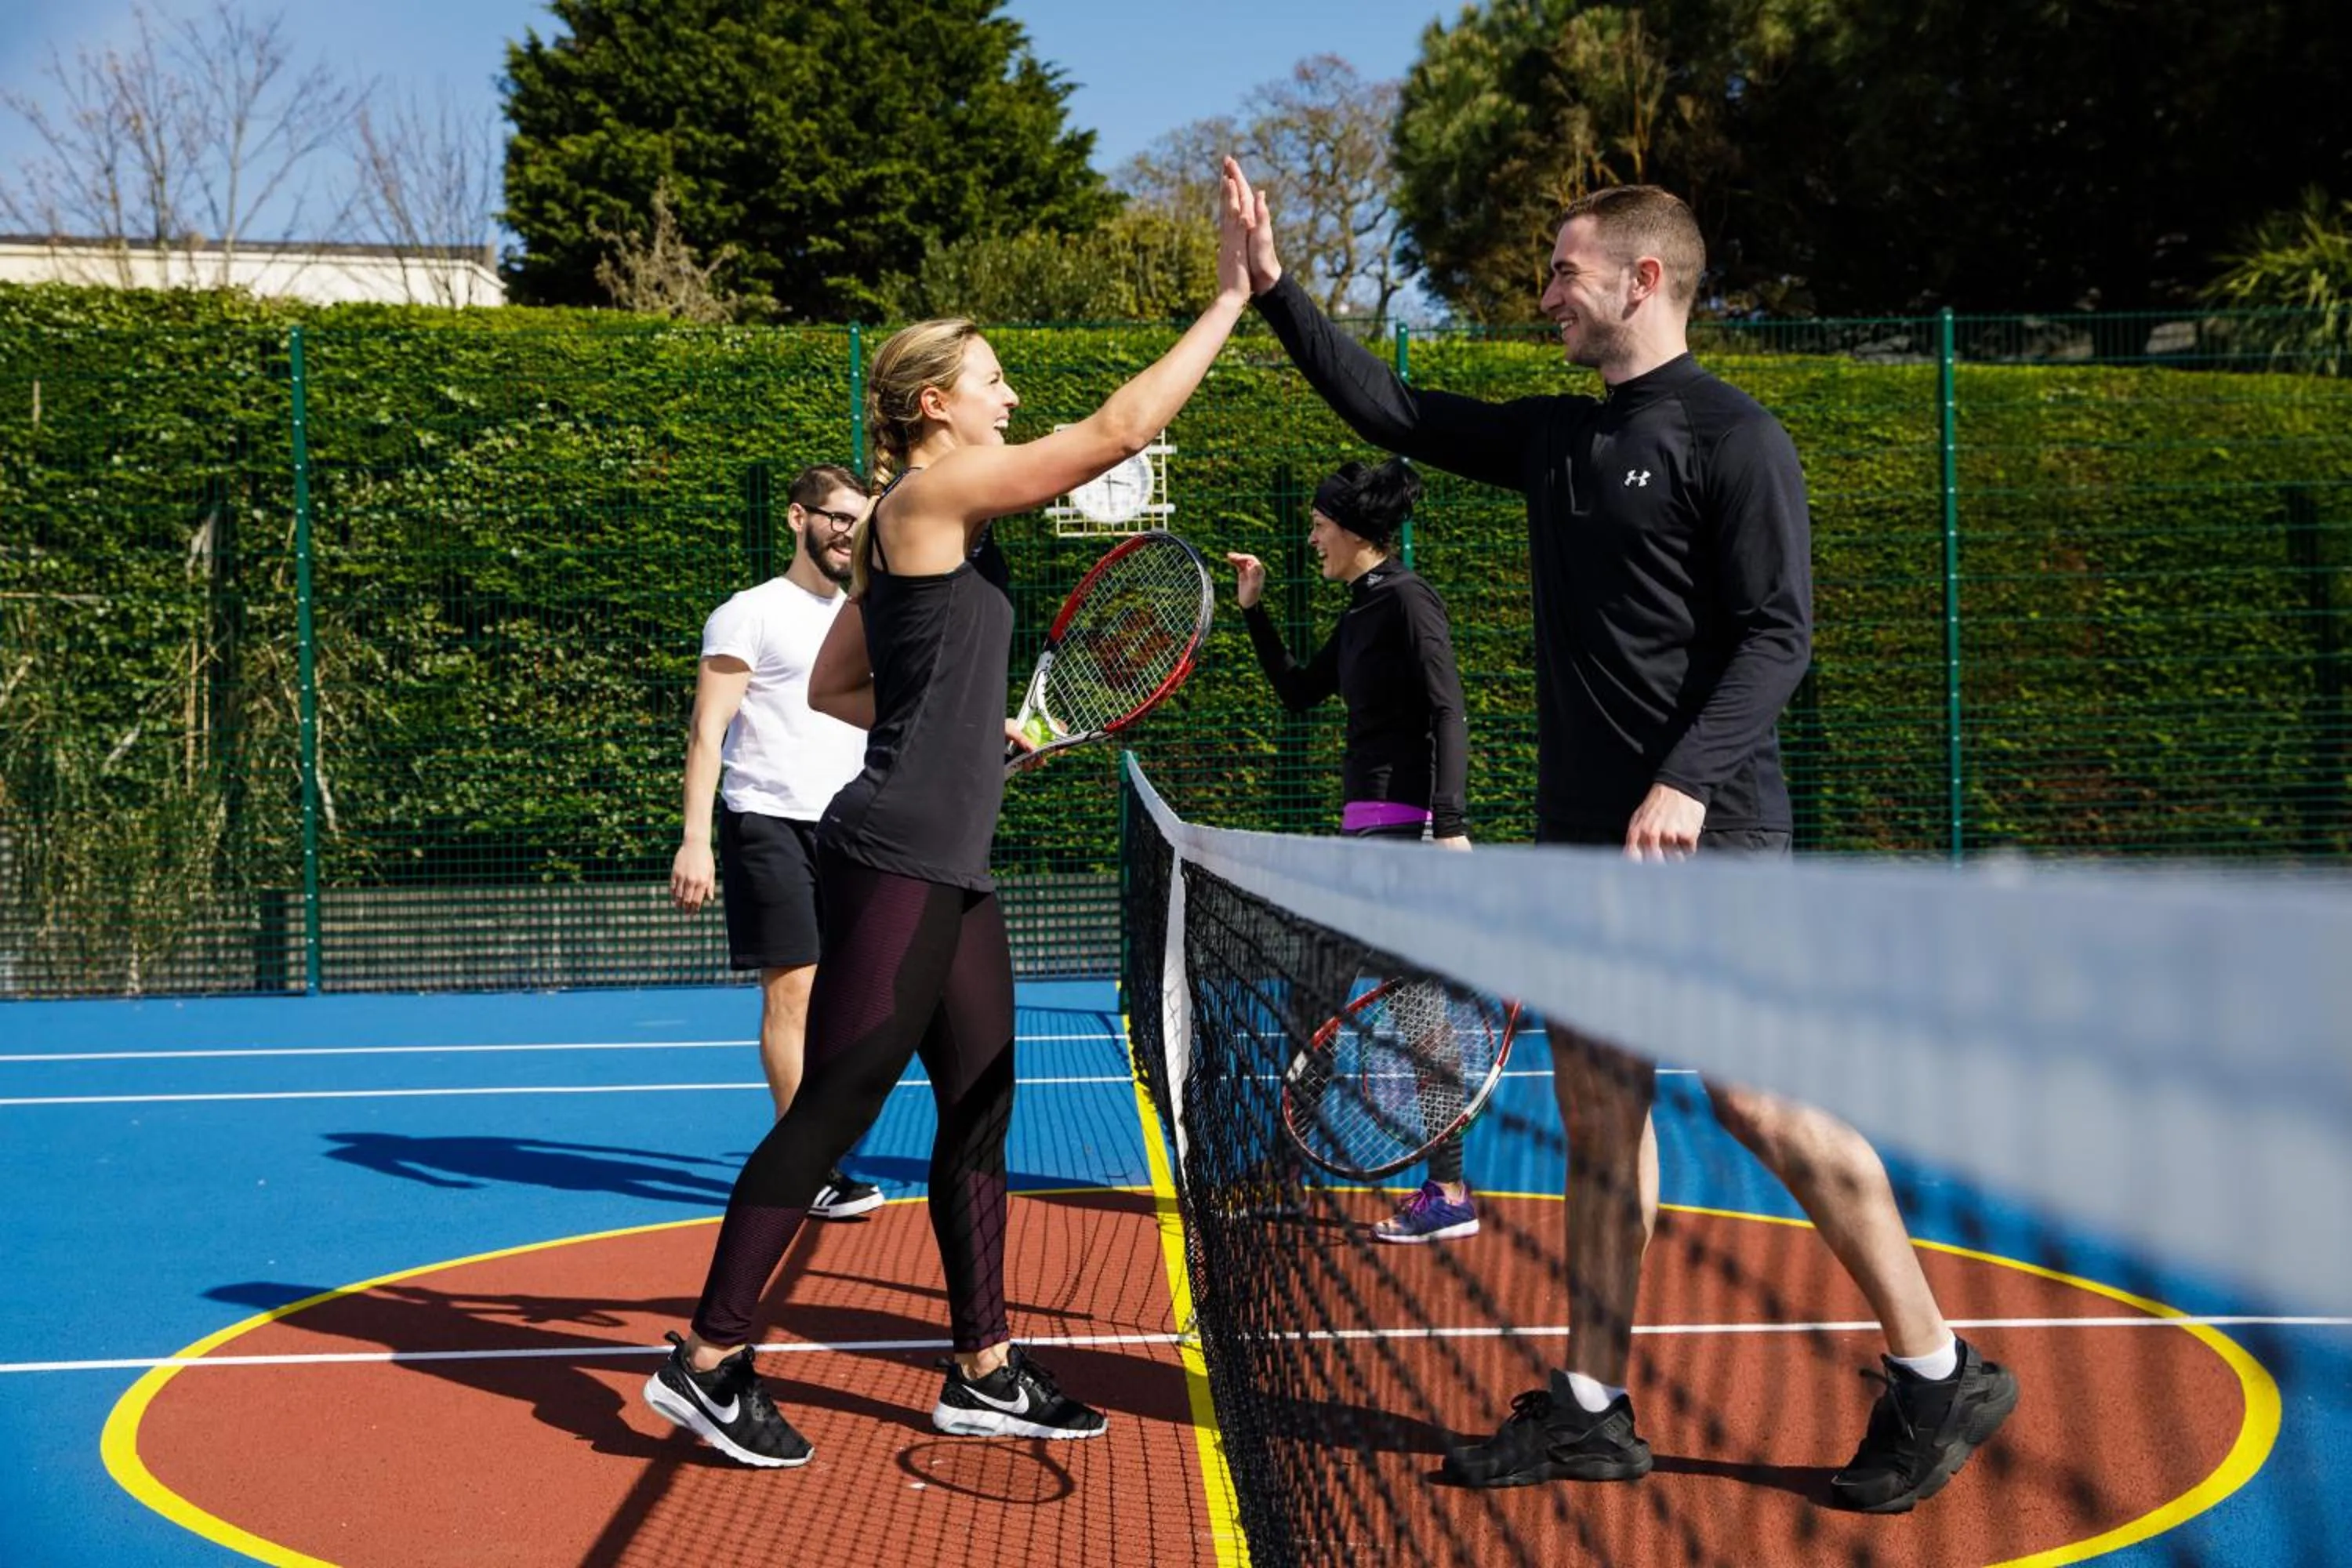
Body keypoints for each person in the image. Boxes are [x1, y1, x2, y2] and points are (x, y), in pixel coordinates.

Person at [1224, 158, 2017, 1515]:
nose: (1546, 297)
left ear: (1642, 280)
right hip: (1584, 848)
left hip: (1712, 841)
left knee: (1757, 1095)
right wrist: (1275, 290)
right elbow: (1393, 406)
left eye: (1562, 273)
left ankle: (1937, 1370)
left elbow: (1780, 636)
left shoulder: (1733, 438)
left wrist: (1691, 779)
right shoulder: (1554, 438)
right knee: (1601, 1116)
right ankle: (1593, 1407)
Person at [639, 165, 1260, 1470]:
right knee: (835, 1110)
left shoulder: (933, 540)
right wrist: (1227, 299)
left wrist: (970, 740)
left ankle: (981, 1369)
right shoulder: (928, 504)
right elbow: (1117, 425)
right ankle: (703, 1361)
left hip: (949, 858)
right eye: (992, 383)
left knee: (982, 1102)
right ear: (936, 406)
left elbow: (836, 682)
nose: (1012, 399)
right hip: (898, 854)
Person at [1225, 457, 1481, 1243]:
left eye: (1319, 525)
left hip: (1406, 838)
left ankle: (1448, 1189)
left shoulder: (1408, 600)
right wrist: (1254, 611)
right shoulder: (1362, 608)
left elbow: (1448, 710)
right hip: (1363, 837)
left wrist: (1449, 824)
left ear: (1354, 529)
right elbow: (1301, 692)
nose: (1311, 538)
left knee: (1414, 1012)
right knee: (1314, 999)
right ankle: (1283, 1172)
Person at [671, 463, 882, 1221]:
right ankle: (807, 1168)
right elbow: (707, 731)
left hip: (853, 827)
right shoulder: (747, 614)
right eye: (836, 518)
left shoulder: (868, 614)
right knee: (792, 991)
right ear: (798, 518)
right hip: (765, 821)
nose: (848, 534)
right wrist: (696, 840)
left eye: (860, 520)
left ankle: (813, 1145)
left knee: (854, 1002)